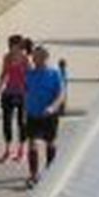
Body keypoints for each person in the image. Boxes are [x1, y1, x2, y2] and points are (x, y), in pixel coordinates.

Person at [23, 45, 66, 188]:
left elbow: (61, 94)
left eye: (38, 57)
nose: (34, 60)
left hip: (49, 114)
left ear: (45, 57)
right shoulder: (29, 74)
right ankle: (33, 175)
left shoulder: (54, 74)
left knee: (50, 142)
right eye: (33, 57)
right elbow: (25, 90)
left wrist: (53, 107)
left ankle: (50, 172)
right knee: (32, 142)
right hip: (33, 113)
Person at [0, 35, 30, 162]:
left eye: (13, 45)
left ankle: (21, 150)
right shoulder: (7, 57)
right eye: (10, 45)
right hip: (9, 92)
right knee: (7, 121)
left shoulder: (26, 59)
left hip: (22, 93)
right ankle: (7, 150)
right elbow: (4, 73)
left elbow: (30, 76)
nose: (11, 47)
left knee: (22, 122)